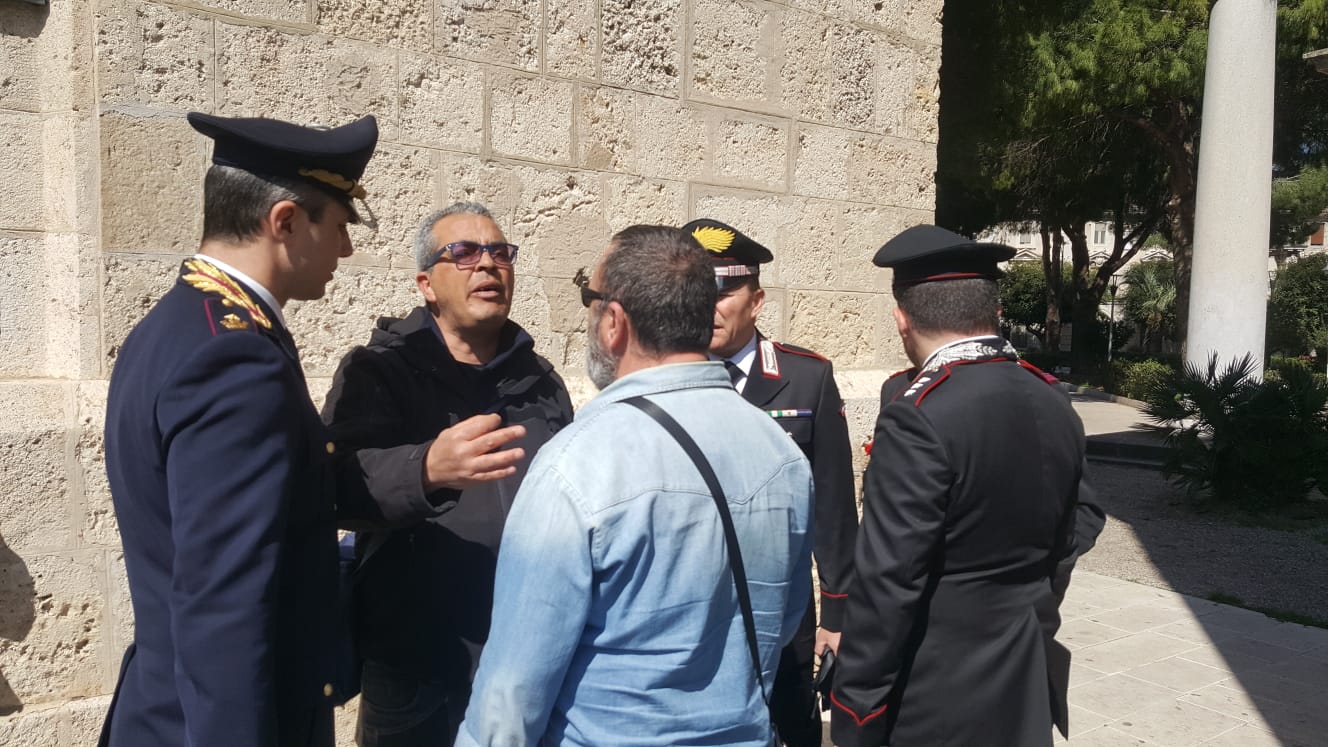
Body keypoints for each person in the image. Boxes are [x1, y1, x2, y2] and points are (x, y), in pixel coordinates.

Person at [100, 112, 464, 746]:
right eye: (341, 226)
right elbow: (225, 606)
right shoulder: (234, 359)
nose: (346, 251)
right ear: (287, 222)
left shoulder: (177, 325)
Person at [455, 225, 815, 747]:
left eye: (590, 300)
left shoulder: (577, 465)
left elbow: (512, 694)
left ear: (614, 324)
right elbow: (780, 624)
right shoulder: (780, 452)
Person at [829, 225, 1103, 747]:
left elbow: (889, 581)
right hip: (1027, 669)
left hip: (937, 688)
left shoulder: (920, 414)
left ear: (902, 318)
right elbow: (1084, 515)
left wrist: (856, 706)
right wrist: (1033, 591)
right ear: (992, 311)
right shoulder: (1052, 398)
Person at [321, 201, 574, 746]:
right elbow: (332, 487)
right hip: (418, 662)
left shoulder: (541, 380)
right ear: (426, 284)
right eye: (462, 253)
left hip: (526, 657)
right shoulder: (379, 370)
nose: (487, 265)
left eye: (500, 253)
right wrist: (426, 469)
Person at [683, 218, 858, 746]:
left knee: (790, 727)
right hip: (690, 609)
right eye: (695, 291)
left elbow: (832, 506)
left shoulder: (805, 378)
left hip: (783, 614)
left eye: (723, 290)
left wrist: (837, 612)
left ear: (755, 300)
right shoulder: (661, 380)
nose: (708, 305)